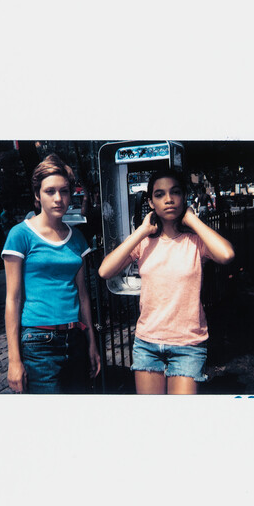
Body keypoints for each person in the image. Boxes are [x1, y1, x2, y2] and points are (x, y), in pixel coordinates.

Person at [98, 169, 235, 395]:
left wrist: (191, 218)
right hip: (147, 343)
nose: (169, 199)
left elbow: (227, 255)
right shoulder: (144, 243)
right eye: (159, 194)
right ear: (150, 202)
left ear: (184, 197)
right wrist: (141, 231)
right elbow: (105, 270)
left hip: (188, 344)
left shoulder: (195, 241)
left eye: (175, 192)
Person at [1, 155, 101, 393]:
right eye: (50, 191)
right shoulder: (20, 235)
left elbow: (83, 295)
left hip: (76, 338)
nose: (58, 198)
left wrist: (91, 344)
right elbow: (12, 299)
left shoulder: (76, 237)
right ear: (37, 195)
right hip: (39, 344)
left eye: (64, 191)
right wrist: (14, 360)